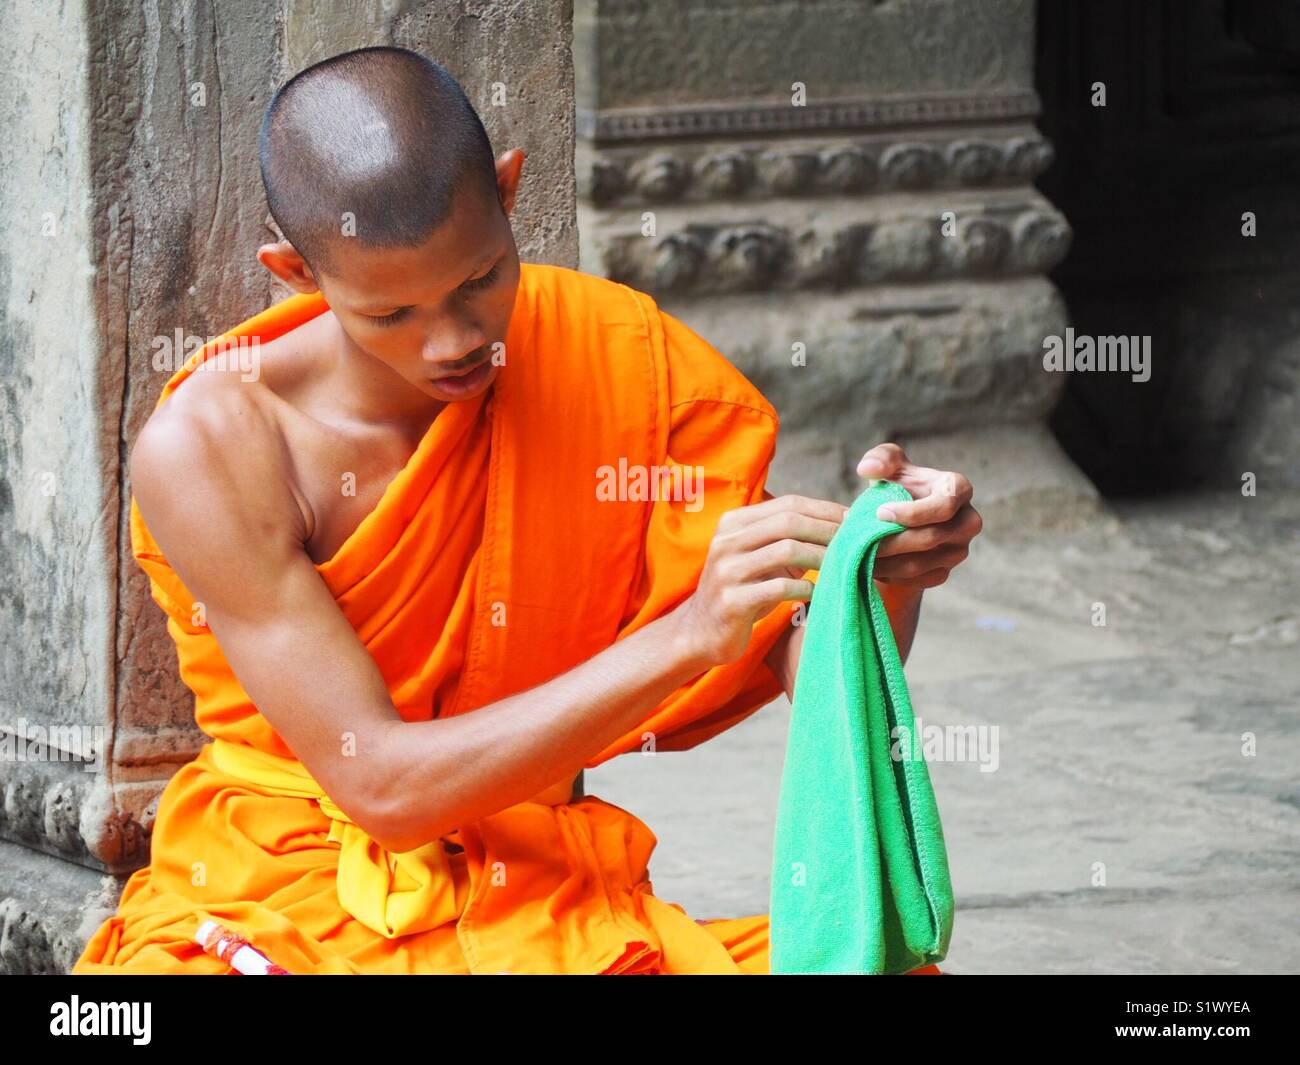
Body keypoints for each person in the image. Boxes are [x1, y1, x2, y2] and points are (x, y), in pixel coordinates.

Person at [74, 46, 981, 975]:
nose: (456, 341)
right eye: (392, 314)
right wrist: (685, 635)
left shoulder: (610, 355)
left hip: (535, 887)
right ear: (296, 271)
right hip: (284, 891)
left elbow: (801, 665)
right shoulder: (215, 446)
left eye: (479, 281)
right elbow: (383, 785)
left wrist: (879, 571)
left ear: (508, 194)